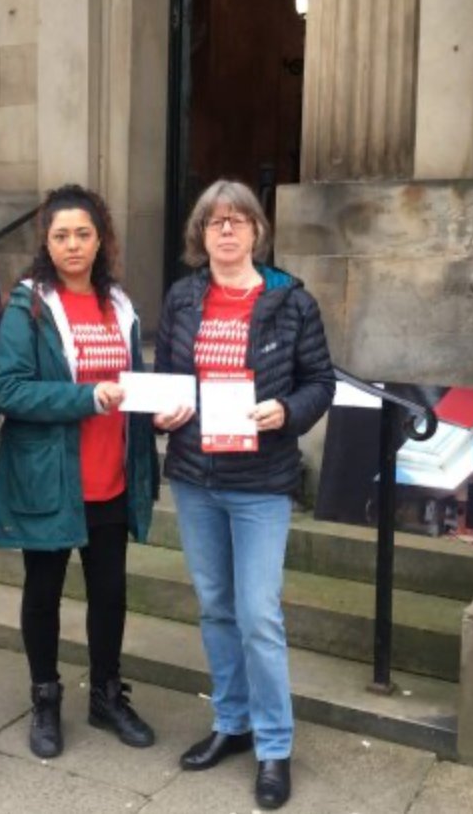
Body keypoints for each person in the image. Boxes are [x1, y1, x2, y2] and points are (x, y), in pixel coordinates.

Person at [154, 179, 335, 810]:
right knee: (215, 606)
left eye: (238, 221)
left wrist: (285, 411)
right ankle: (231, 724)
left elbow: (320, 382)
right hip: (195, 474)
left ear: (258, 231)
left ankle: (275, 745)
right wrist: (162, 412)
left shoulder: (290, 302)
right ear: (199, 236)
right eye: (214, 223)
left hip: (259, 481)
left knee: (259, 614)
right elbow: (168, 379)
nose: (226, 231)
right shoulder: (183, 297)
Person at [0, 184, 158, 760]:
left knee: (110, 591)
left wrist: (157, 412)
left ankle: (107, 695)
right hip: (52, 477)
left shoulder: (122, 306)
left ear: (101, 237)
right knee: (44, 592)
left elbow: (132, 387)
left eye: (83, 233)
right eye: (61, 235)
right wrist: (86, 398)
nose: (73, 245)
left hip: (113, 473)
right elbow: (9, 391)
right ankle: (45, 698)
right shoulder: (28, 305)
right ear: (47, 242)